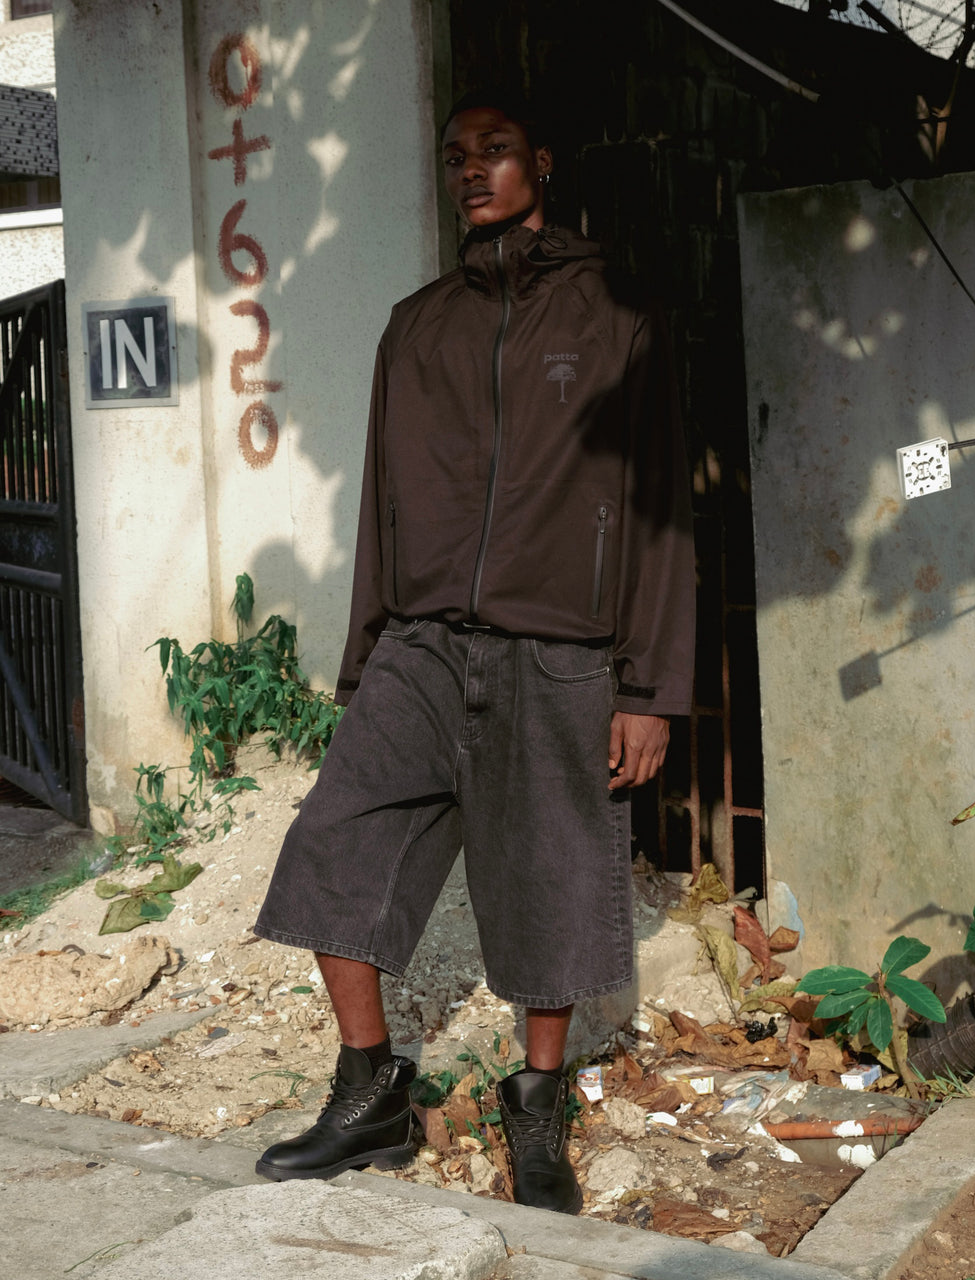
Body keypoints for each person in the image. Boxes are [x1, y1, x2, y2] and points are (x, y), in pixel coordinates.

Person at [252, 88, 695, 1215]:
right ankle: (370, 1090)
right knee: (331, 847)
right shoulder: (418, 325)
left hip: (558, 652)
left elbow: (659, 508)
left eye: (495, 150)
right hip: (421, 646)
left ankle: (536, 1107)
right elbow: (384, 502)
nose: (470, 170)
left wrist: (650, 687)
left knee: (548, 884)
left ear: (541, 163)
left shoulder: (617, 315)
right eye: (456, 155)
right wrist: (367, 660)